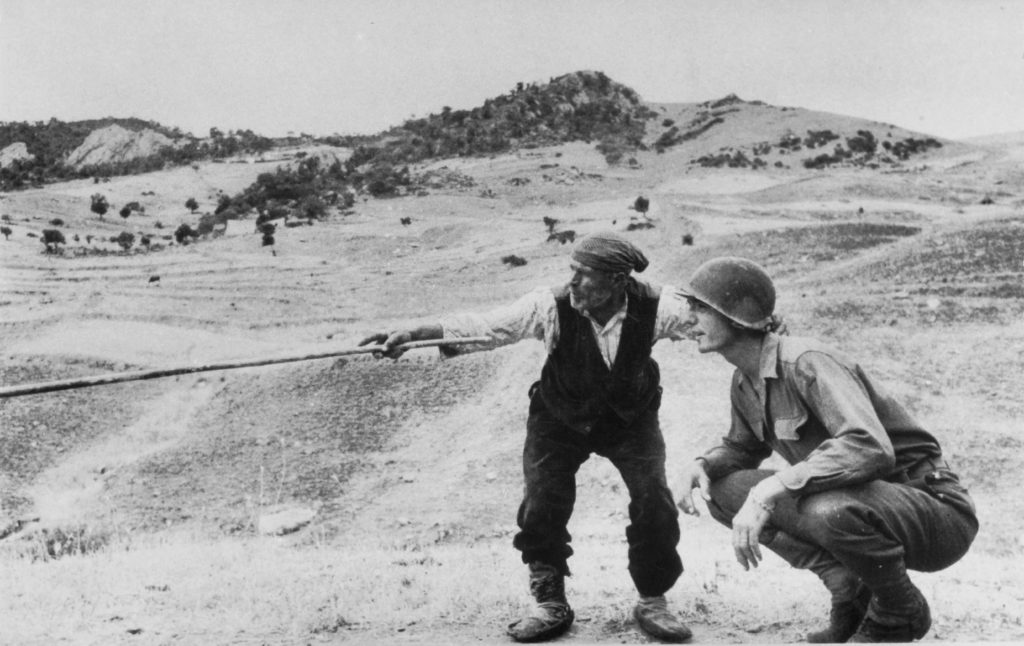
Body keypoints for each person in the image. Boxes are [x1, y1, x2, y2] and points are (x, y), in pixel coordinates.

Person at [360, 231, 696, 643]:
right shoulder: (549, 306)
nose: (572, 283)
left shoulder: (659, 304)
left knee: (654, 500)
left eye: (584, 275)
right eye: (571, 272)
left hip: (630, 418)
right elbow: (485, 328)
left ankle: (652, 600)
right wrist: (413, 335)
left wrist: (762, 324)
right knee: (542, 503)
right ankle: (550, 601)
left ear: (617, 281)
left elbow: (712, 317)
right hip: (559, 418)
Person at [674, 257, 978, 643]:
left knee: (824, 508)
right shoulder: (744, 381)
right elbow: (740, 449)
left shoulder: (805, 361)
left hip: (934, 510)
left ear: (737, 316)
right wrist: (701, 464)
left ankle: (898, 612)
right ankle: (846, 587)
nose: (686, 319)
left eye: (698, 308)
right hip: (863, 506)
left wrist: (772, 487)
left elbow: (869, 447)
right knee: (721, 488)